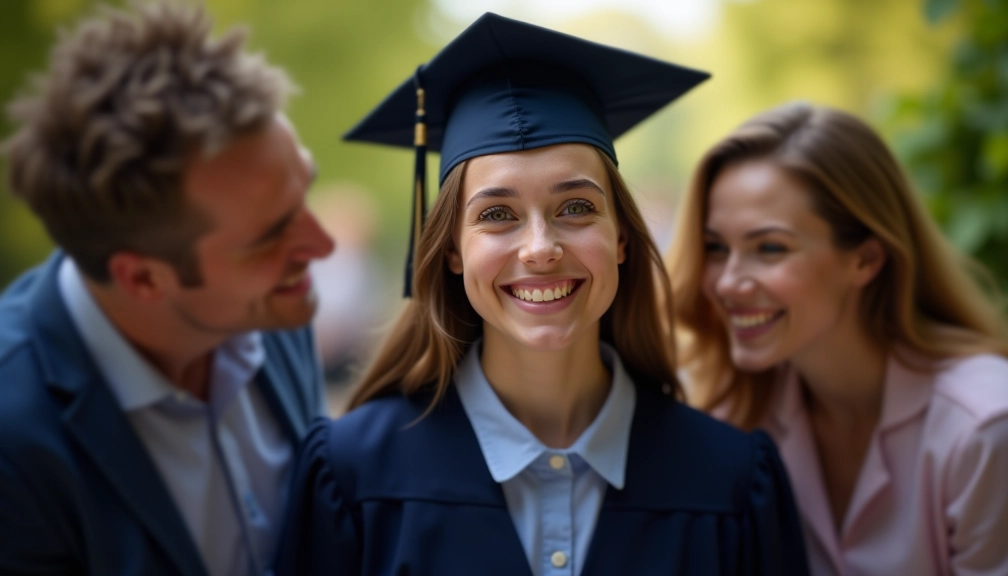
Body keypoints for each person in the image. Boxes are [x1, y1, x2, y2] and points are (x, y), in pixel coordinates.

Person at [276, 13, 809, 576]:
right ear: (452, 250)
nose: (540, 248)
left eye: (576, 208)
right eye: (497, 214)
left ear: (622, 237)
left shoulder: (729, 481)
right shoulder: (352, 475)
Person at [0, 3, 335, 575]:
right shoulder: (13, 439)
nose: (321, 244)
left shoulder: (273, 307)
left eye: (305, 189)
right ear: (143, 277)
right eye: (270, 235)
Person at [667, 101, 1008, 575]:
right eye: (716, 248)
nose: (727, 282)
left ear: (866, 260)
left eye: (769, 248)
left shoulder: (986, 429)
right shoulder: (731, 418)